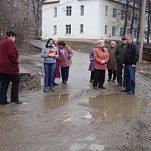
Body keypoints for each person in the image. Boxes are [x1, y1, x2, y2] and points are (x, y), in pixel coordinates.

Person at [0, 31, 22, 105]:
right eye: (14, 38)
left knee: (4, 83)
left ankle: (2, 99)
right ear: (12, 36)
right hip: (10, 67)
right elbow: (11, 54)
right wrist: (16, 61)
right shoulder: (9, 42)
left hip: (2, 68)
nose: (14, 39)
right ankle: (14, 98)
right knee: (16, 80)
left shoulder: (2, 42)